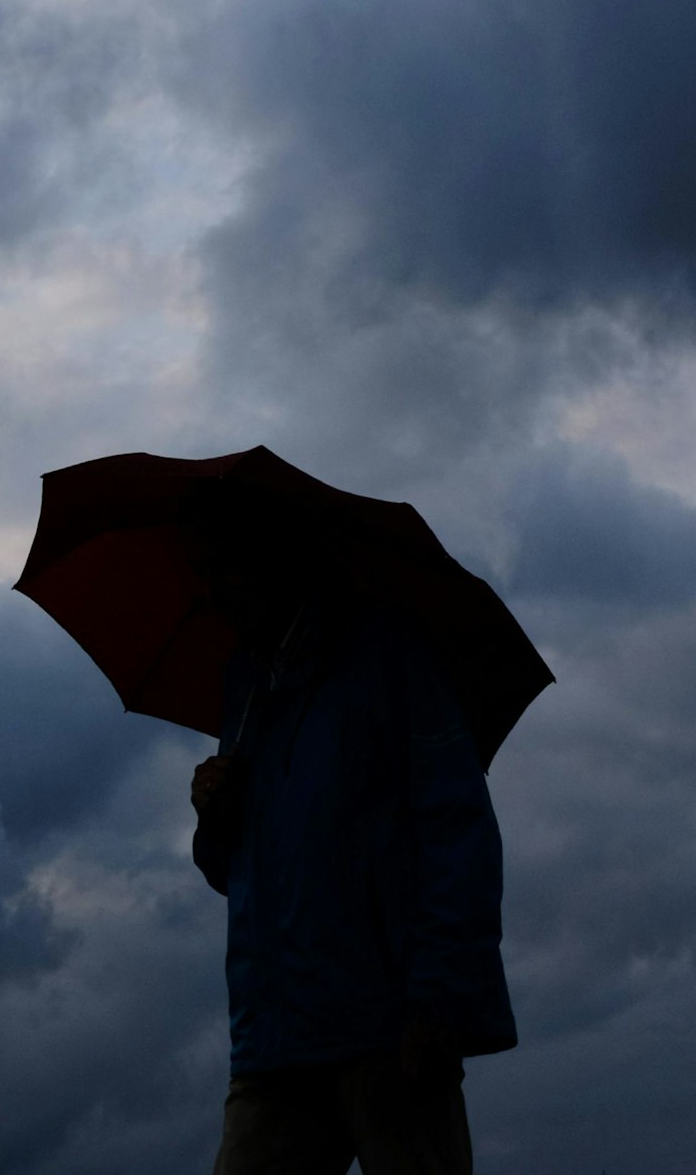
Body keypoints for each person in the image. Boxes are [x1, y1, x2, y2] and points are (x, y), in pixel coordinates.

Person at [187, 494, 516, 1175]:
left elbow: (458, 830)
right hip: (272, 1040)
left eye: (229, 566)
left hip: (390, 1027)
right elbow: (234, 871)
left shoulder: (387, 656)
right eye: (210, 570)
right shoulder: (246, 686)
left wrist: (438, 999)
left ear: (280, 562)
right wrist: (215, 817)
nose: (216, 590)